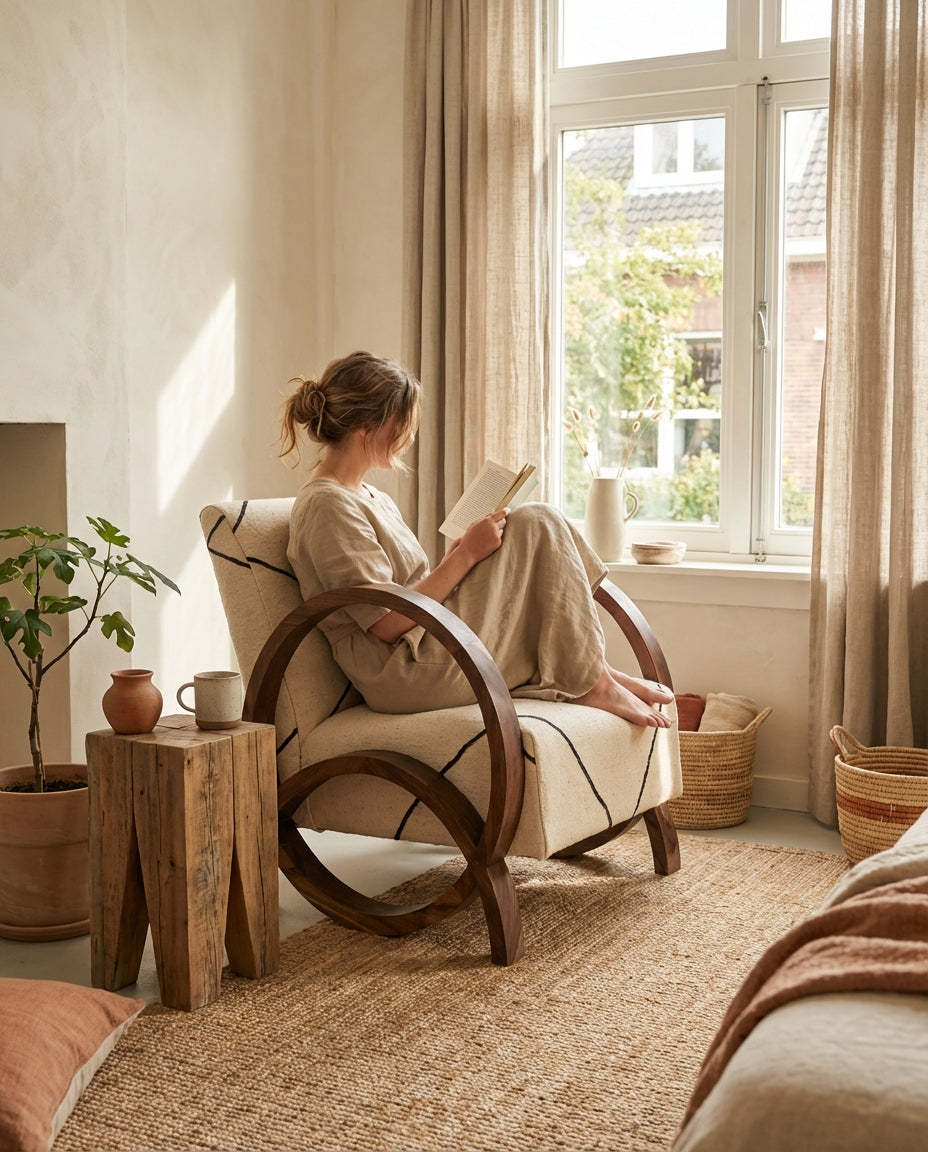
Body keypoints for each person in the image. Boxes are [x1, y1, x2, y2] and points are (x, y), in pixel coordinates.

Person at [280, 350, 673, 728]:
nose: (408, 438)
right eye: (402, 424)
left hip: (428, 639)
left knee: (534, 521)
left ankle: (592, 669)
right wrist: (465, 557)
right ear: (366, 428)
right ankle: (592, 678)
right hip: (404, 672)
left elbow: (402, 591)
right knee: (539, 518)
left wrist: (461, 555)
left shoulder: (366, 496)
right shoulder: (326, 506)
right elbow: (384, 623)